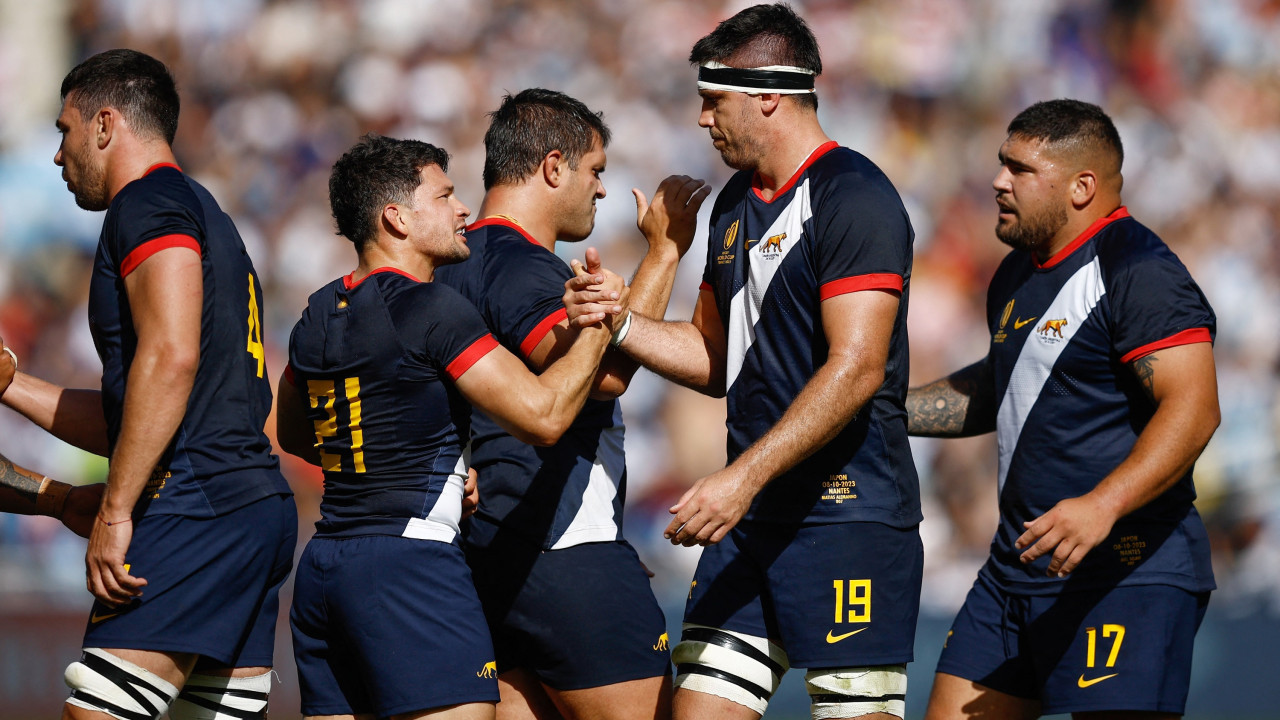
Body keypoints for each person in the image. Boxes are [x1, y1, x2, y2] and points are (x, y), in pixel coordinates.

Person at [570, 5, 923, 719]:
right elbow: (713, 354)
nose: (703, 119)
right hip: (753, 520)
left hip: (847, 517)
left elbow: (857, 368)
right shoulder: (733, 205)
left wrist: (741, 477)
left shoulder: (854, 197)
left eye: (713, 99)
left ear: (768, 95)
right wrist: (620, 322)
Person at [275, 134, 627, 720]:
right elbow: (545, 417)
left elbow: (294, 434)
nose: (463, 208)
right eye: (444, 195)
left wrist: (397, 456)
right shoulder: (430, 307)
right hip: (410, 567)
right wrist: (594, 324)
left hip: (324, 570)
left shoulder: (316, 311)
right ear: (397, 218)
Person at [0, 49, 296, 720]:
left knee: (98, 711)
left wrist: (116, 510)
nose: (58, 154)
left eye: (64, 130)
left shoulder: (144, 204)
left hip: (192, 501)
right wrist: (12, 385)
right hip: (250, 503)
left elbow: (170, 358)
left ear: (105, 124)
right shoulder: (207, 213)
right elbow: (141, 414)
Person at [905, 99, 1219, 720]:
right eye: (1001, 163)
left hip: (1128, 571)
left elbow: (1195, 408)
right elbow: (1006, 386)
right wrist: (880, 409)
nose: (998, 181)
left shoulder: (1140, 271)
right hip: (1017, 567)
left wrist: (1103, 505)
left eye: (1019, 169)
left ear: (1082, 187)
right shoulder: (1018, 272)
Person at [433, 88, 709, 720]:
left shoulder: (447, 263)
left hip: (484, 559)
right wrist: (664, 252)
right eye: (596, 171)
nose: (603, 191)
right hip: (564, 548)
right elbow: (602, 376)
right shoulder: (522, 265)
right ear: (553, 167)